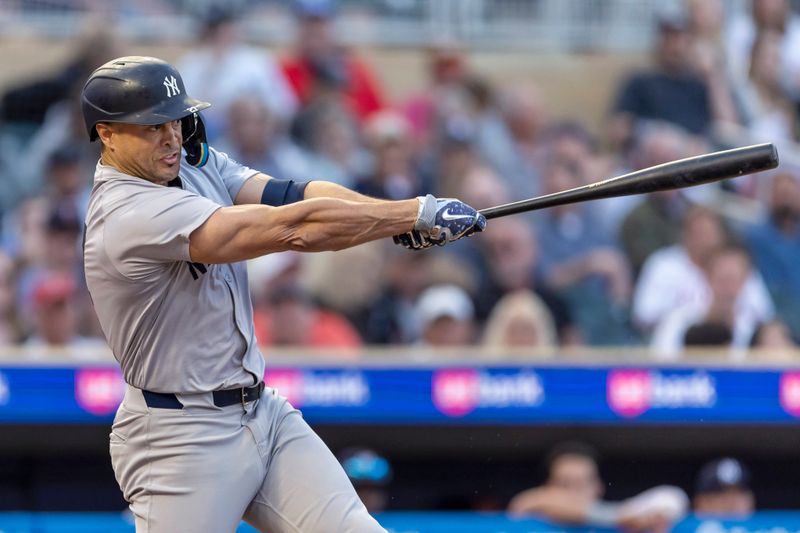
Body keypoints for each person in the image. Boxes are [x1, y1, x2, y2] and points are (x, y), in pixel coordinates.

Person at [79, 56, 485, 532]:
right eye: (152, 127)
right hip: (180, 437)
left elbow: (292, 195)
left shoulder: (188, 161)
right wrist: (412, 214)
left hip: (263, 414)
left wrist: (394, 218)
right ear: (107, 134)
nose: (171, 136)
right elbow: (295, 229)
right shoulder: (127, 213)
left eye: (175, 119)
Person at [508, 441, 688, 530]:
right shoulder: (530, 516)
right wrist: (619, 516)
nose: (573, 492)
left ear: (598, 487)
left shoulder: (622, 523)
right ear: (547, 487)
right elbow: (523, 503)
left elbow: (673, 497)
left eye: (581, 483)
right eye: (565, 483)